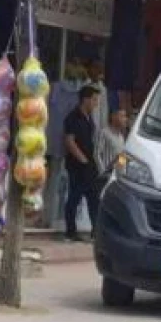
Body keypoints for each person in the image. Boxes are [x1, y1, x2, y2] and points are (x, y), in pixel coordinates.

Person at [63, 85, 102, 242]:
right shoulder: (72, 117)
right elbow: (69, 141)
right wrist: (82, 159)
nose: (96, 104)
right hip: (77, 165)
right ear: (85, 99)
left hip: (90, 164)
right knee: (74, 197)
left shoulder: (89, 118)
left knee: (94, 198)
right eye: (94, 100)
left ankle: (96, 231)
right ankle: (70, 232)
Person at [95, 107, 129, 193]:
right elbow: (96, 154)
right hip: (105, 179)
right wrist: (103, 172)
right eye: (122, 116)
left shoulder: (121, 137)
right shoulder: (104, 133)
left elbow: (122, 156)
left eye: (125, 116)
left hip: (116, 181)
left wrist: (122, 173)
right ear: (113, 117)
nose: (125, 119)